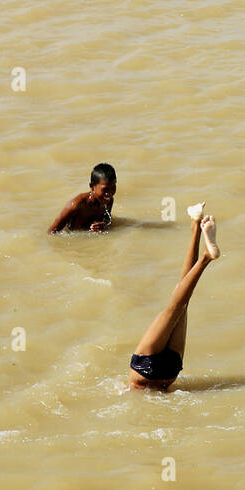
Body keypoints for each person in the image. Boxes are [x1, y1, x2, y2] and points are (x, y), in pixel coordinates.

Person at [128, 204, 220, 391]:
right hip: (146, 371)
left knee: (181, 302)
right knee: (175, 304)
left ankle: (195, 225)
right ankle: (205, 258)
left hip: (168, 374)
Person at [48, 163, 117, 234]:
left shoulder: (109, 200)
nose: (109, 193)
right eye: (105, 189)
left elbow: (107, 220)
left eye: (113, 188)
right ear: (92, 186)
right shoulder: (76, 205)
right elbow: (51, 233)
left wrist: (103, 226)